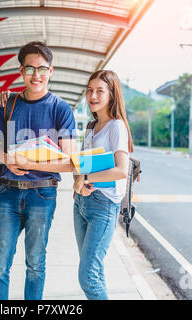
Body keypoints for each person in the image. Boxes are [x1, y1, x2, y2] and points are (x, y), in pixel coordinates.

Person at [0, 41, 77, 300]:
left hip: (43, 194)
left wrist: (28, 165)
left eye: (42, 68)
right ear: (20, 70)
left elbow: (70, 162)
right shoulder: (8, 104)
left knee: (35, 265)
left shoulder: (61, 109)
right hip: (8, 192)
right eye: (30, 68)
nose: (36, 75)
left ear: (51, 71)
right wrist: (9, 160)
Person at [73, 70, 134, 300]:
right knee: (93, 272)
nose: (93, 95)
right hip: (82, 204)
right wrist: (79, 182)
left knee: (88, 276)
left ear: (112, 94)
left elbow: (121, 170)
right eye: (90, 90)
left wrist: (87, 179)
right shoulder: (92, 126)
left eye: (100, 90)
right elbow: (82, 165)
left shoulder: (116, 127)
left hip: (103, 206)